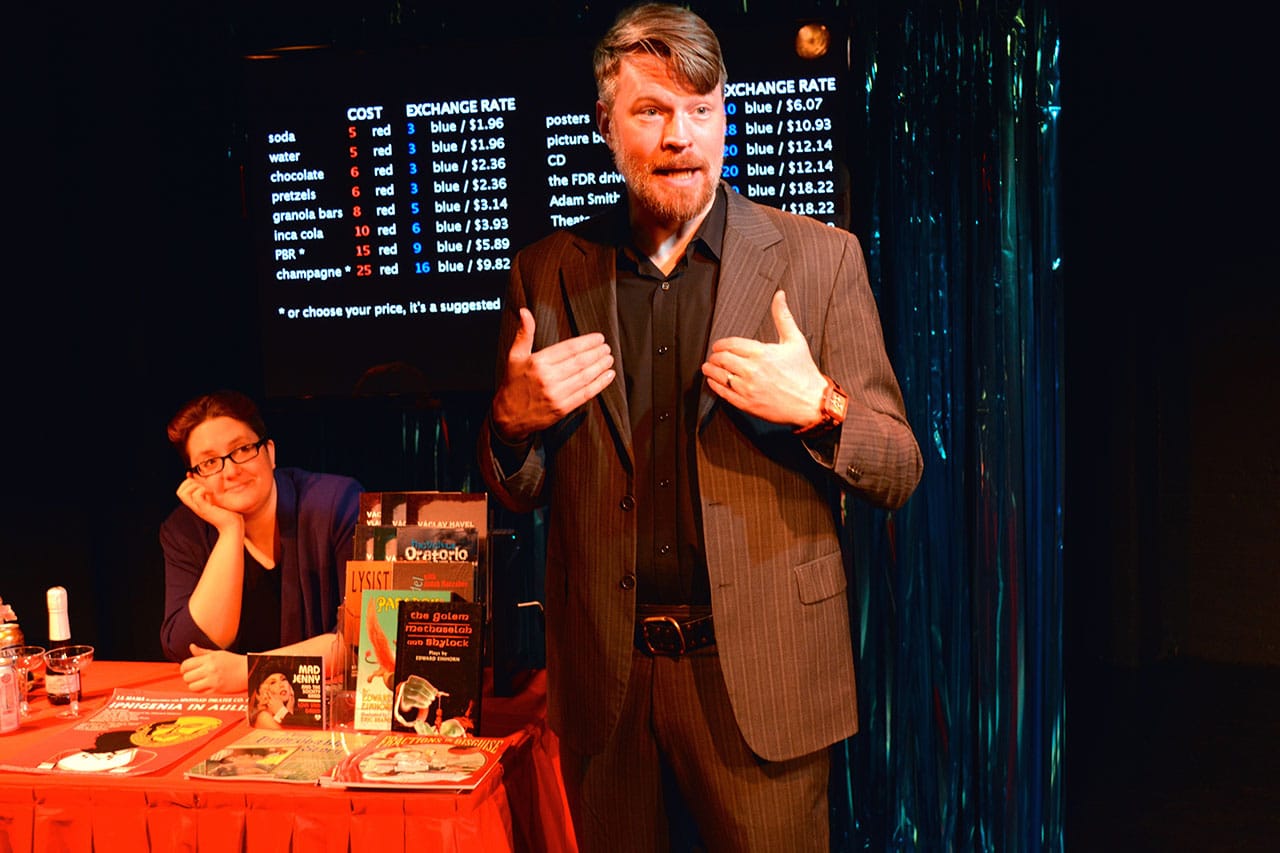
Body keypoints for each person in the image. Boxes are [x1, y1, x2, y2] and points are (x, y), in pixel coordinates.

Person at [477, 4, 923, 849]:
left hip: (761, 674)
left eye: (703, 109)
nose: (682, 135)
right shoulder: (548, 271)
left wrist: (820, 407)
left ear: (726, 117)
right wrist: (510, 424)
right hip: (609, 680)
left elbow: (899, 468)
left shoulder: (820, 260)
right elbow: (519, 487)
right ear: (606, 123)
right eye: (652, 111)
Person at [160, 389, 361, 693]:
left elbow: (360, 641)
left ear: (270, 452)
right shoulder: (183, 530)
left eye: (242, 449)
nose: (231, 470)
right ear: (194, 479)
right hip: (234, 711)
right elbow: (191, 648)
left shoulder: (336, 504)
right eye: (210, 462)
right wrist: (230, 530)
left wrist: (253, 670)